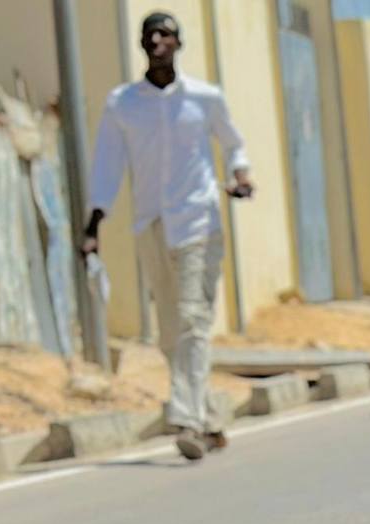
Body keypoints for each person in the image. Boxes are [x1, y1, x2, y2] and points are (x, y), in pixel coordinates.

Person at [82, 11, 252, 461]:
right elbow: (107, 164)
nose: (158, 41)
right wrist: (93, 225)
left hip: (199, 221)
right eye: (150, 35)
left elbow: (234, 143)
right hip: (150, 223)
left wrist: (241, 174)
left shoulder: (204, 98)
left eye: (166, 34)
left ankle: (188, 420)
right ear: (141, 45)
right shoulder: (123, 104)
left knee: (194, 317)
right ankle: (209, 416)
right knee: (170, 329)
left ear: (179, 43)